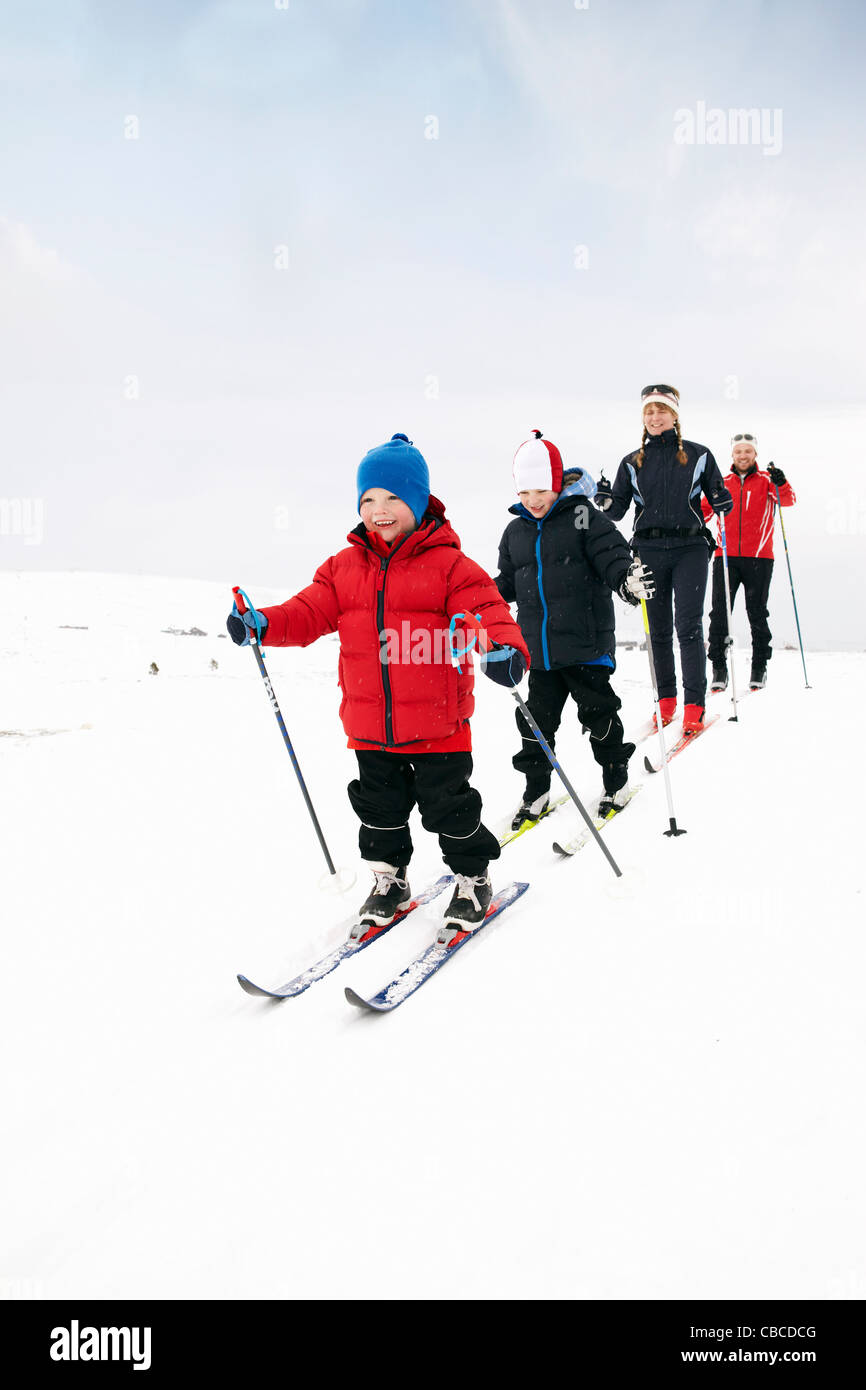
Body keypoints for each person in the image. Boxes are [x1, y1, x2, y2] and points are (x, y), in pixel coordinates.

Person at [226, 433, 531, 932]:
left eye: (392, 498)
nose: (379, 510)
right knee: (378, 811)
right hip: (370, 723)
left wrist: (505, 650)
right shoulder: (343, 568)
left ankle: (473, 878)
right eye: (368, 500)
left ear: (417, 501)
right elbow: (306, 612)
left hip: (439, 722)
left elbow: (487, 611)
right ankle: (389, 878)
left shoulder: (452, 566)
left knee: (449, 810)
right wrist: (263, 623)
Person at [495, 431, 654, 829]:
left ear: (557, 483)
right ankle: (536, 790)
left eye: (542, 490)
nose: (533, 500)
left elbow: (612, 554)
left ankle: (615, 781)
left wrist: (625, 581)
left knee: (599, 717)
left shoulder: (584, 516)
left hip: (585, 645)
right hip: (539, 652)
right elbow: (507, 584)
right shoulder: (516, 531)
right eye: (525, 491)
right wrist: (476, 601)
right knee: (535, 724)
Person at [595, 385, 732, 733]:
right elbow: (618, 510)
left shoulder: (699, 455)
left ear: (674, 415)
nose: (655, 417)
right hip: (649, 549)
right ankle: (666, 700)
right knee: (657, 631)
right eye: (649, 412)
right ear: (643, 418)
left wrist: (722, 499)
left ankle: (694, 705)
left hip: (691, 549)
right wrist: (604, 499)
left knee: (688, 626)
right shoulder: (632, 462)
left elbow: (719, 498)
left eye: (661, 410)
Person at [702, 433, 796, 690]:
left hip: (759, 558)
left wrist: (782, 482)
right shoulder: (722, 481)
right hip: (725, 557)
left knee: (757, 613)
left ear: (755, 454)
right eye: (738, 452)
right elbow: (704, 510)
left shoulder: (767, 480)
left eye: (748, 451)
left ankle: (759, 667)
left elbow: (788, 500)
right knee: (720, 614)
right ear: (732, 455)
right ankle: (719, 668)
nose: (743, 456)